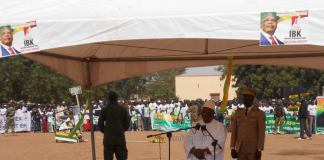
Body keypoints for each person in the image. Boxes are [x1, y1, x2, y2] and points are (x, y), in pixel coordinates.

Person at [230, 87, 265, 160]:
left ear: (252, 98)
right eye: (243, 96)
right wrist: (232, 147)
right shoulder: (238, 113)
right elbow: (234, 132)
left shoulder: (259, 113)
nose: (244, 98)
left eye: (247, 96)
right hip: (240, 149)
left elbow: (261, 133)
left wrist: (259, 149)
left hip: (253, 150)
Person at [99, 92, 129, 160]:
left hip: (108, 139)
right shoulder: (122, 109)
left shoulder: (105, 109)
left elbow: (100, 124)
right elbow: (127, 124)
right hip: (120, 138)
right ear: (117, 99)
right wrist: (121, 129)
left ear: (108, 99)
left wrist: (106, 131)